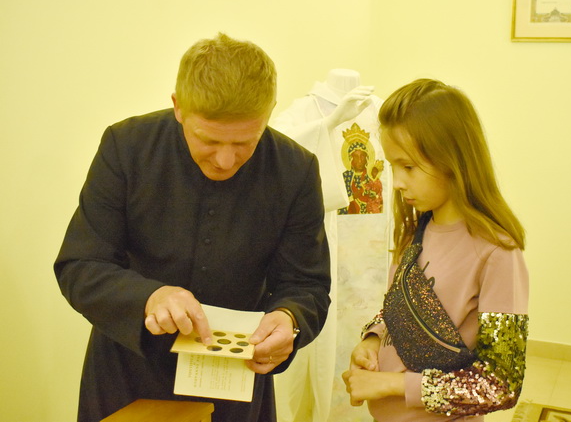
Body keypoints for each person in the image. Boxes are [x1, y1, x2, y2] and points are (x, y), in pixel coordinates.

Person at [54, 32, 331, 422]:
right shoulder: (126, 147)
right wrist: (150, 297)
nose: (225, 160)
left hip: (235, 379)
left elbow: (306, 285)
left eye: (245, 142)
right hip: (126, 369)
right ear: (178, 107)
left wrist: (290, 319)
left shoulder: (294, 170)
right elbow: (80, 265)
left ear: (269, 113)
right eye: (209, 139)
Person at [342, 79, 529, 421]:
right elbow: (396, 309)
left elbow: (500, 384)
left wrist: (392, 385)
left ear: (451, 160)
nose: (397, 182)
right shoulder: (416, 230)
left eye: (408, 167)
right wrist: (373, 339)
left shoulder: (498, 252)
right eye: (393, 166)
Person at [270, 68, 385, 422]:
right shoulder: (302, 111)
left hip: (374, 247)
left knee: (369, 329)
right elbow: (275, 157)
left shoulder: (380, 111)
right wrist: (329, 124)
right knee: (321, 346)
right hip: (323, 245)